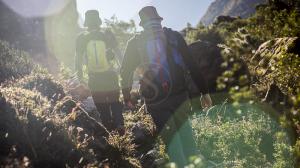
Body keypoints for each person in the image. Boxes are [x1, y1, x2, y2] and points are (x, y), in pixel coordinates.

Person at [120, 6, 213, 167]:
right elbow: (192, 65)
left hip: (156, 100)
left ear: (142, 24)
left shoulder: (135, 43)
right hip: (180, 95)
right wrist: (205, 92)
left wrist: (127, 96)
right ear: (159, 20)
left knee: (171, 139)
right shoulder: (174, 37)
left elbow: (125, 72)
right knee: (186, 134)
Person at [75, 10, 124, 132]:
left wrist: (80, 76)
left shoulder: (82, 37)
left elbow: (78, 58)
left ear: (87, 23)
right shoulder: (106, 34)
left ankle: (109, 131)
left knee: (102, 107)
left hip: (94, 78)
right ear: (98, 22)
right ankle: (119, 124)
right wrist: (122, 69)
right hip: (110, 75)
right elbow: (118, 53)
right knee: (115, 102)